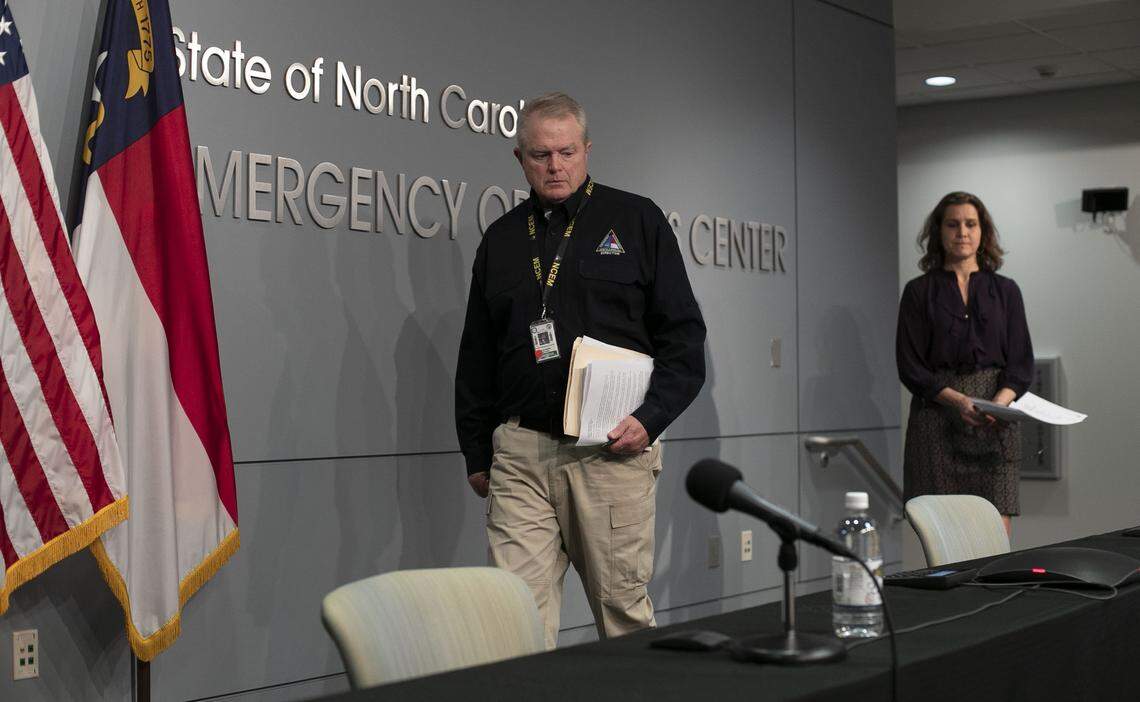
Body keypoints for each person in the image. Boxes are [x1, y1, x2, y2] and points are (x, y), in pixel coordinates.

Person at [454, 92, 706, 648]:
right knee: (513, 622)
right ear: (519, 158)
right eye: (541, 154)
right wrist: (478, 449)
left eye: (567, 151)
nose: (555, 165)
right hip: (519, 454)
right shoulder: (500, 240)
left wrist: (651, 419)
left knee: (622, 616)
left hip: (610, 453)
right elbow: (476, 354)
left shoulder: (637, 220)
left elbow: (685, 340)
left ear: (587, 150)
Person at [897, 191, 1033, 537]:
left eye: (970, 224)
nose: (962, 232)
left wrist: (998, 405)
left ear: (982, 231)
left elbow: (1020, 363)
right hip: (937, 419)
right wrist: (958, 402)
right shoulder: (918, 291)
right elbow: (910, 365)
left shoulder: (1006, 291)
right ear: (938, 232)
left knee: (994, 538)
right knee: (945, 539)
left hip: (994, 424)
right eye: (953, 224)